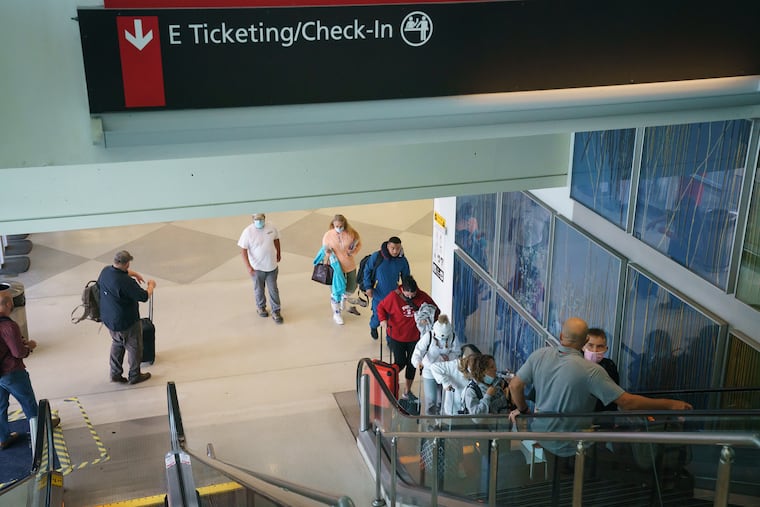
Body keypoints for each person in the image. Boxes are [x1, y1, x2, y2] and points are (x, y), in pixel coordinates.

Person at [508, 317, 692, 472]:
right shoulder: (591, 371)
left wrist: (524, 411)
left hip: (544, 438)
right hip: (573, 447)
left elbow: (515, 385)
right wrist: (670, 404)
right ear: (584, 342)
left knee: (559, 480)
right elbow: (627, 403)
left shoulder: (539, 355)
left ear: (561, 336)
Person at [98, 250, 155, 385]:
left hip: (110, 320)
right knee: (135, 348)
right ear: (127, 263)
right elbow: (144, 296)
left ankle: (115, 374)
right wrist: (151, 286)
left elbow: (119, 274)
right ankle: (135, 375)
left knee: (117, 343)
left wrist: (135, 274)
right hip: (127, 322)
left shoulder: (106, 272)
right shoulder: (126, 282)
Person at [377, 275, 438, 400]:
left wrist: (428, 320)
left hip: (415, 338)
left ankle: (407, 391)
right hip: (396, 336)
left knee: (412, 364)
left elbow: (436, 311)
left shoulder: (423, 297)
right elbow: (381, 307)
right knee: (400, 362)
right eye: (408, 294)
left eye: (413, 295)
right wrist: (383, 320)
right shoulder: (393, 297)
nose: (410, 297)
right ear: (402, 290)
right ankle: (387, 381)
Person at [0, 292, 38, 450]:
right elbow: (18, 352)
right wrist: (29, 346)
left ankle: (3, 438)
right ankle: (40, 431)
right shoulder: (8, 326)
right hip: (12, 372)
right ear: (8, 304)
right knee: (28, 401)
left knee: (1, 406)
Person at [238, 212, 283, 324]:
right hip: (257, 268)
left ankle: (276, 311)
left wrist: (278, 253)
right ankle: (261, 307)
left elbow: (276, 239)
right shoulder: (248, 232)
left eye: (261, 219)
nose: (259, 221)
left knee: (273, 289)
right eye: (257, 219)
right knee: (259, 289)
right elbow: (243, 250)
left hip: (271, 266)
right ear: (253, 219)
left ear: (264, 218)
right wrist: (248, 267)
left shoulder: (271, 227)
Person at [364, 236, 410, 340]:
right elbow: (367, 270)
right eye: (392, 248)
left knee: (392, 320)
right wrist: (368, 287)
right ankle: (373, 326)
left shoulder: (402, 260)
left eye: (398, 248)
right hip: (378, 294)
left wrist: (406, 291)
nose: (395, 251)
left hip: (393, 296)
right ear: (388, 246)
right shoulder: (377, 256)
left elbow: (406, 277)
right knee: (377, 317)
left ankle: (390, 341)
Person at [411, 314, 457, 415]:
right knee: (431, 400)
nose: (442, 341)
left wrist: (449, 358)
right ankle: (430, 423)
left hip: (444, 371)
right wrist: (418, 363)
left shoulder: (452, 337)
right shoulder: (429, 336)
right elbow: (418, 352)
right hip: (429, 371)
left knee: (442, 400)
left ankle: (439, 421)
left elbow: (456, 353)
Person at [322, 214, 362, 325]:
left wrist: (352, 252)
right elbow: (324, 248)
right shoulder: (328, 235)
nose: (338, 227)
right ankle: (337, 313)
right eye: (336, 225)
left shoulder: (351, 233)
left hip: (349, 264)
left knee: (352, 286)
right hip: (335, 267)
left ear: (344, 224)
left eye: (340, 225)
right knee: (335, 291)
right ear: (333, 224)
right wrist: (328, 253)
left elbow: (358, 244)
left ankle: (344, 299)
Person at [429, 343, 482, 416]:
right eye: (471, 361)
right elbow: (434, 367)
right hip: (453, 408)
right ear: (464, 360)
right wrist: (445, 382)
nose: (474, 364)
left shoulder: (479, 366)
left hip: (472, 407)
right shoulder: (454, 365)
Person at [584, 327, 619, 412]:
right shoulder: (574, 364)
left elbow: (615, 396)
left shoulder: (609, 366)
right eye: (590, 345)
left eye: (600, 346)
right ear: (582, 346)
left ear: (606, 349)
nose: (595, 350)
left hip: (603, 417)